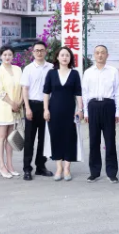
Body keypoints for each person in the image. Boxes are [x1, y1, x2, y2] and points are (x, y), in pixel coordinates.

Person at [82, 45, 119, 183]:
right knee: (94, 140)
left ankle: (112, 172)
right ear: (94, 55)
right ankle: (94, 172)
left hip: (108, 105)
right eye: (97, 53)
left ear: (107, 55)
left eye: (103, 53)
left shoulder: (113, 71)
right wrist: (86, 111)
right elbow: (85, 93)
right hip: (93, 106)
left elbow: (118, 92)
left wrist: (117, 111)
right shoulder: (88, 72)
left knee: (110, 140)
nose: (100, 55)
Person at [43, 47, 84, 181]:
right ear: (57, 57)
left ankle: (67, 168)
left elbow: (78, 93)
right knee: (56, 137)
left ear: (70, 58)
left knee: (69, 138)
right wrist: (46, 109)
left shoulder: (75, 74)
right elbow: (46, 93)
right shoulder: (51, 73)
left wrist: (80, 109)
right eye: (62, 55)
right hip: (54, 111)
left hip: (70, 111)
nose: (65, 57)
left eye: (67, 55)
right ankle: (59, 168)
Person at [20, 42, 54, 180]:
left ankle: (41, 166)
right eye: (37, 50)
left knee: (43, 139)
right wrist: (27, 108)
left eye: (42, 50)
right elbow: (25, 89)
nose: (39, 53)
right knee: (29, 139)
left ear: (46, 52)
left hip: (47, 107)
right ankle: (27, 169)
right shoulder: (28, 69)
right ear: (33, 53)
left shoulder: (51, 68)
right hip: (32, 106)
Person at [0, 46, 23, 179]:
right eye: (5, 55)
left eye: (10, 54)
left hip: (16, 109)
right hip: (3, 108)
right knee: (1, 136)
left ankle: (10, 165)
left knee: (11, 138)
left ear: (13, 56)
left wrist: (19, 102)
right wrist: (12, 103)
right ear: (1, 56)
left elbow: (23, 87)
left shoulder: (18, 69)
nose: (7, 57)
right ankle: (1, 165)